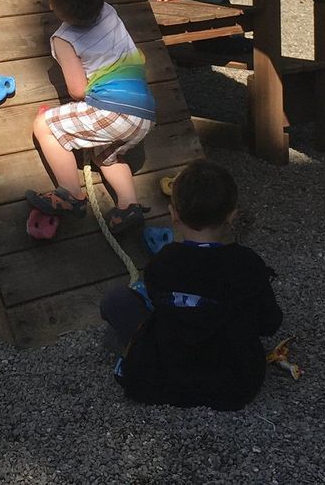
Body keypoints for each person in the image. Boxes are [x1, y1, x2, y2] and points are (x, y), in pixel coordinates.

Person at [100, 158, 283, 410]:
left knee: (116, 300)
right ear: (232, 216)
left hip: (168, 374)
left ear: (173, 213)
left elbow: (160, 309)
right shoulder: (247, 264)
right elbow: (269, 322)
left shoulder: (162, 263)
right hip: (233, 383)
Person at [25, 0, 156, 235]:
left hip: (114, 110)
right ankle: (128, 205)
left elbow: (77, 90)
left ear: (53, 5)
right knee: (106, 156)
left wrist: (56, 116)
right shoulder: (109, 11)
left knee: (44, 126)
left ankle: (70, 193)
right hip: (144, 113)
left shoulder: (63, 39)